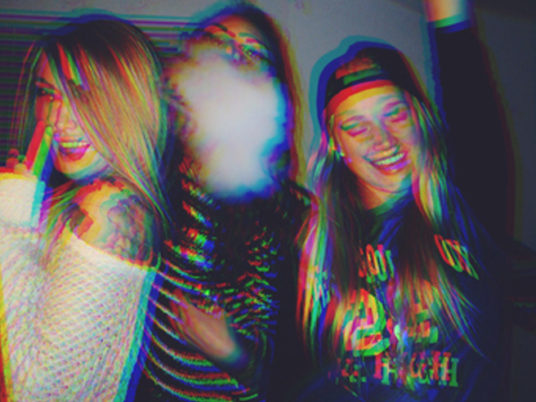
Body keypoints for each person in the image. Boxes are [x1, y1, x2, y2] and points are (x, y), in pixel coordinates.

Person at [297, 13, 505, 402]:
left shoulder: (466, 211)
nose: (383, 140)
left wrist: (448, 17)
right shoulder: (312, 242)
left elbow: (470, 94)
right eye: (357, 127)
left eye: (394, 114)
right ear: (337, 146)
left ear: (419, 118)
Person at [130, 3, 308, 401]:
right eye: (219, 45)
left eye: (252, 55)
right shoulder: (153, 178)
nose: (233, 60)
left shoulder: (291, 216)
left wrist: (232, 351)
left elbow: (301, 375)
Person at [0, 14, 167, 400]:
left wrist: (9, 222)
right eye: (47, 93)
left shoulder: (112, 214)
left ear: (129, 102)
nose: (57, 119)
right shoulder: (69, 198)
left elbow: (39, 391)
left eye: (82, 94)